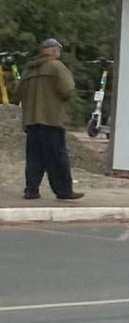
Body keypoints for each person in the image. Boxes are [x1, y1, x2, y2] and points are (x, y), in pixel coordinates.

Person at [17, 38, 84, 201]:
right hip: (51, 118)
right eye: (58, 50)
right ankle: (64, 191)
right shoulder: (56, 66)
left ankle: (31, 190)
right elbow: (67, 89)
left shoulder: (28, 70)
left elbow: (18, 93)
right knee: (57, 157)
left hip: (31, 121)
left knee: (34, 158)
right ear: (54, 51)